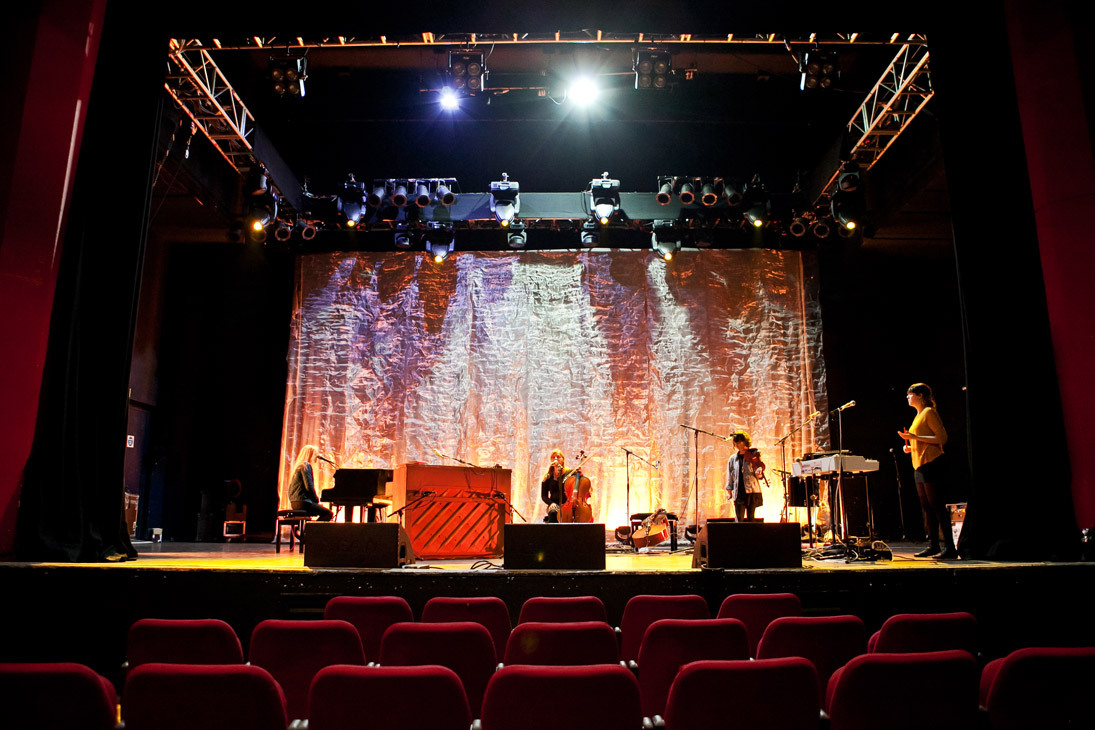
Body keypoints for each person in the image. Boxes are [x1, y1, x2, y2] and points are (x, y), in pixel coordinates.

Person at [898, 383, 956, 559]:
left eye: (910, 394)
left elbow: (942, 438)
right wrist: (910, 446)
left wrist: (915, 438)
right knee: (927, 507)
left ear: (920, 396)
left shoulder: (929, 412)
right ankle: (933, 545)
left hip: (931, 463)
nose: (908, 397)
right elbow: (922, 440)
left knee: (937, 505)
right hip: (919, 465)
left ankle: (950, 547)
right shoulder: (918, 416)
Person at [726, 430, 765, 522]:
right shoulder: (732, 459)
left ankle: (751, 536)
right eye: (736, 443)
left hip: (751, 491)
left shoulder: (753, 454)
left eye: (740, 442)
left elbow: (759, 471)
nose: (738, 445)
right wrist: (729, 491)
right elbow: (730, 476)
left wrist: (759, 473)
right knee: (739, 518)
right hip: (739, 491)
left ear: (744, 442)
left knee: (751, 518)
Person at [288, 444, 333, 521]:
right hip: (303, 503)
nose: (316, 457)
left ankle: (308, 529)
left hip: (295, 503)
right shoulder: (306, 465)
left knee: (315, 512)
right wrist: (315, 499)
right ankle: (313, 531)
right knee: (328, 513)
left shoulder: (298, 467)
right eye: (315, 454)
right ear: (311, 455)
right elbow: (309, 486)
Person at [540, 449, 567, 523]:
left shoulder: (569, 473)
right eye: (553, 457)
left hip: (567, 503)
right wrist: (551, 503)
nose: (555, 459)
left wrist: (579, 474)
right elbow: (544, 496)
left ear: (563, 459)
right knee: (553, 513)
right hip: (554, 504)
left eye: (558, 457)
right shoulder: (547, 476)